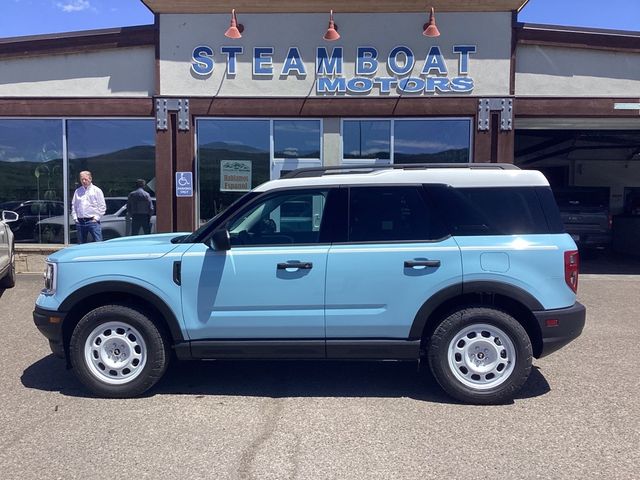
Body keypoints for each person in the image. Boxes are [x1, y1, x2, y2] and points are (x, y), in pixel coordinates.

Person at [71, 170, 106, 243]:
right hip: (80, 222)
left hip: (92, 221)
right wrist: (75, 218)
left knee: (98, 242)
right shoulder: (78, 191)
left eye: (85, 179)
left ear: (90, 179)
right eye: (82, 179)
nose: (83, 181)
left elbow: (102, 206)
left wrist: (96, 218)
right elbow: (74, 205)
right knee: (81, 245)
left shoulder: (97, 190)